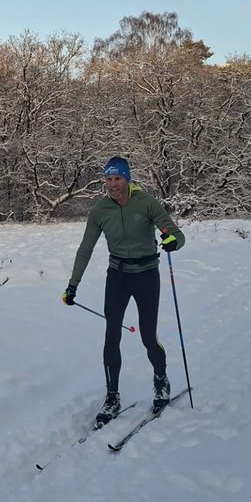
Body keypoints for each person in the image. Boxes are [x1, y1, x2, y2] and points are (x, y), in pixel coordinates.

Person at [62, 156, 185, 428]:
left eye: (117, 179)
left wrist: (172, 240)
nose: (113, 184)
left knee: (147, 336)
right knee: (111, 336)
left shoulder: (147, 203)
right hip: (117, 275)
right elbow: (85, 249)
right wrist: (73, 284)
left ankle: (161, 379)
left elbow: (175, 233)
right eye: (108, 179)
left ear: (127, 179)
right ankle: (112, 397)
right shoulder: (100, 211)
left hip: (146, 275)